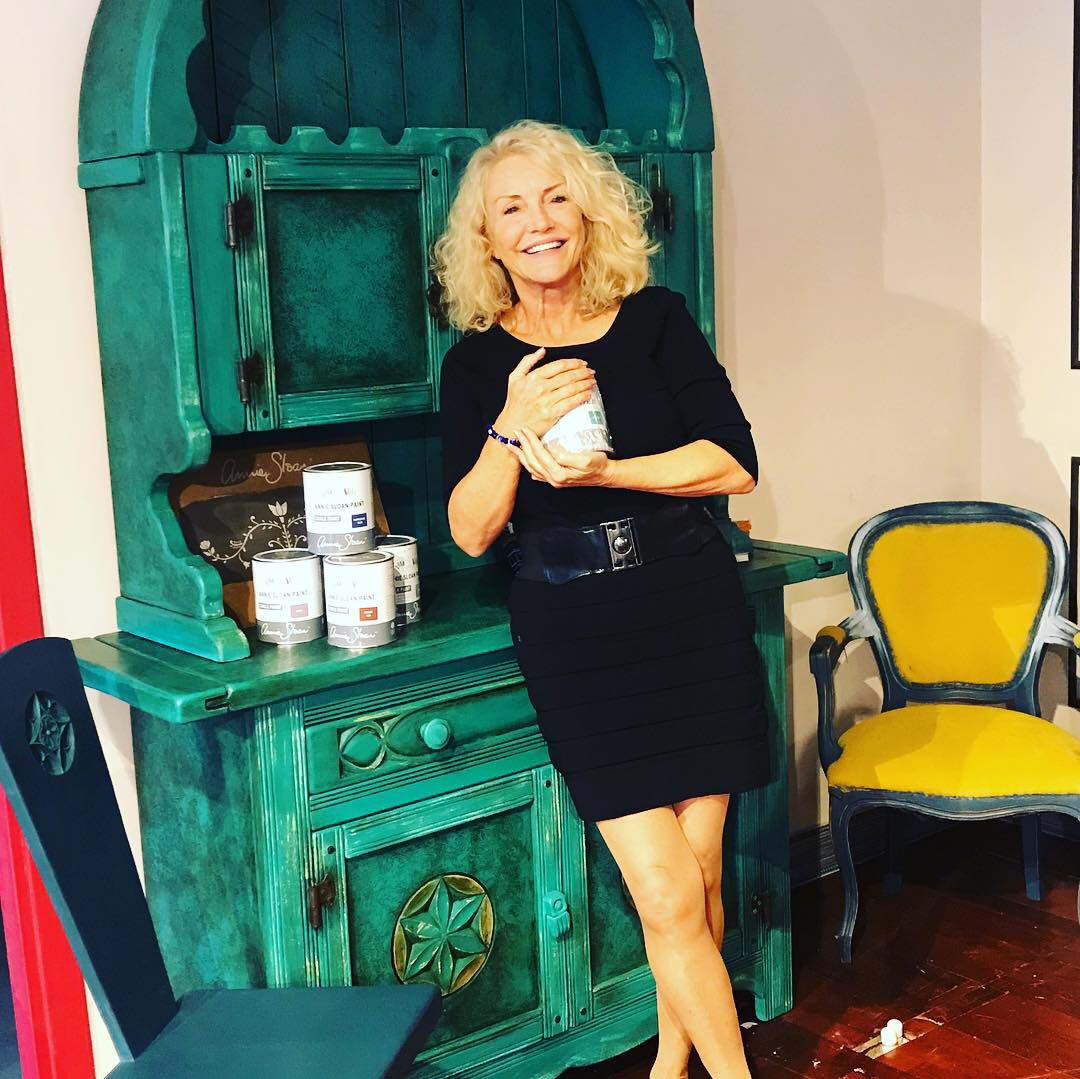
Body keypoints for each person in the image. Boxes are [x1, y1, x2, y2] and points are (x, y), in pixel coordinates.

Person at [432, 118, 765, 1079]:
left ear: (587, 213)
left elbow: (733, 463)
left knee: (697, 876)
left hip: (689, 609)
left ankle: (669, 1064)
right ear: (488, 240)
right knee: (664, 888)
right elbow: (470, 531)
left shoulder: (656, 319)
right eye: (512, 209)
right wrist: (510, 427)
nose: (538, 222)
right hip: (575, 632)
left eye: (556, 198)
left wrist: (607, 471)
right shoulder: (475, 367)